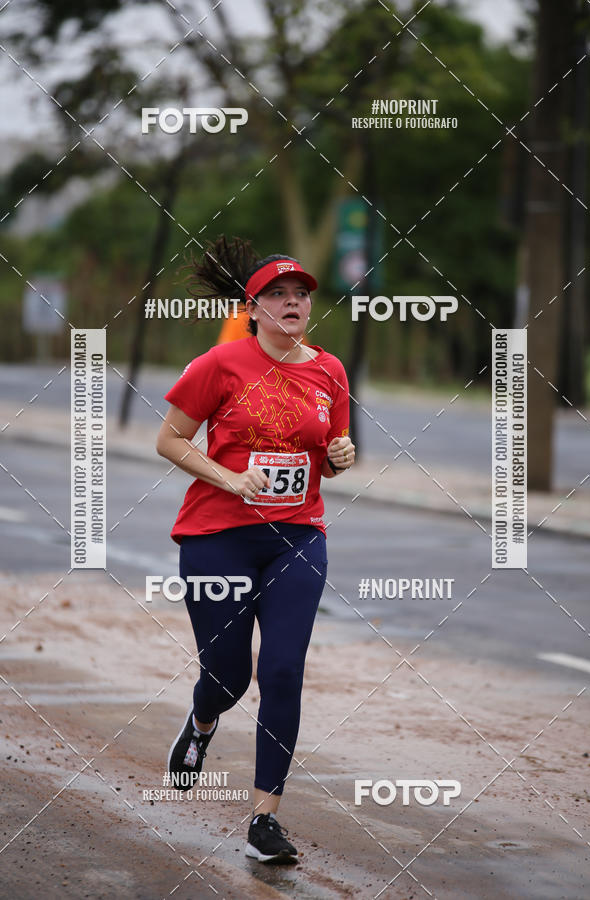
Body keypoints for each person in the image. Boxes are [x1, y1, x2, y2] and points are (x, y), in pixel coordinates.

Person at [156, 235, 355, 863]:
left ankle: (264, 818)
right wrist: (230, 478)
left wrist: (341, 456)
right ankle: (202, 723)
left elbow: (331, 454)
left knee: (283, 671)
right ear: (254, 307)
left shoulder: (329, 370)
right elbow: (170, 440)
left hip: (298, 536)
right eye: (279, 294)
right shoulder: (219, 365)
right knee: (228, 677)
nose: (293, 302)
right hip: (217, 537)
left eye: (301, 294)